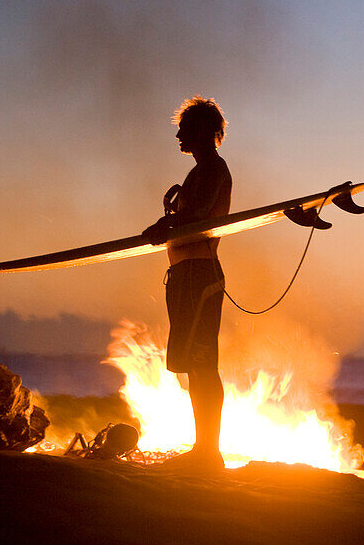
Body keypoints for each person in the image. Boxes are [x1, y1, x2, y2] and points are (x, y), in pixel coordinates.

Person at [143, 96, 232, 472]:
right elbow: (190, 215)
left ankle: (209, 453)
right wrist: (167, 226)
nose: (179, 134)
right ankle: (203, 450)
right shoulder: (198, 171)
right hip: (185, 273)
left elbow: (197, 215)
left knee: (203, 363)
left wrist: (165, 226)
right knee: (193, 365)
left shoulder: (212, 167)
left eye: (185, 128)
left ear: (205, 132)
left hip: (200, 274)